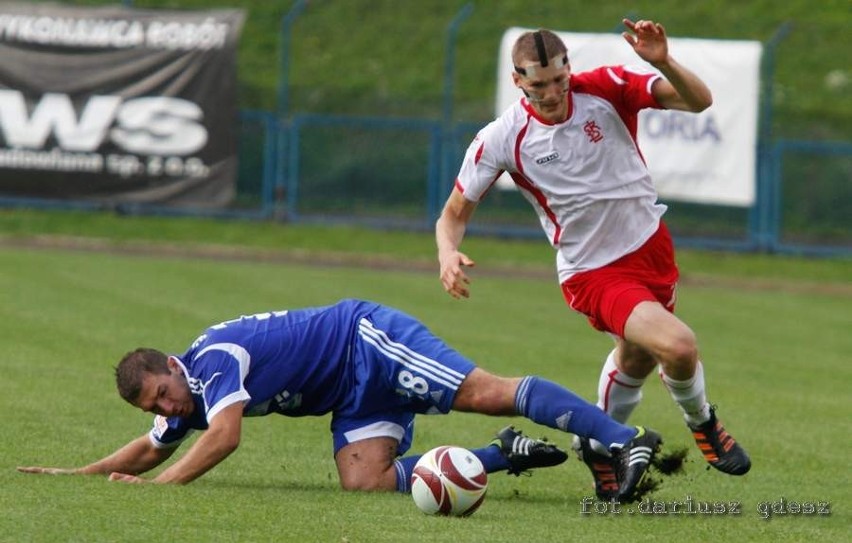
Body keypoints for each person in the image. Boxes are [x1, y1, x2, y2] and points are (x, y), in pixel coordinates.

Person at [435, 19, 750, 500]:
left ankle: (594, 443)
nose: (551, 92)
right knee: (680, 347)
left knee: (637, 357)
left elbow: (699, 101)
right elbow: (452, 215)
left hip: (652, 248)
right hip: (592, 271)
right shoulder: (502, 137)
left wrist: (662, 60)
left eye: (559, 79)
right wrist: (447, 252)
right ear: (517, 80)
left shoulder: (605, 88)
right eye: (537, 84)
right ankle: (702, 421)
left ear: (568, 69)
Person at [18, 298, 663, 502]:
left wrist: (163, 488)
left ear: (171, 365)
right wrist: (80, 475)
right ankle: (503, 456)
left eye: (164, 394)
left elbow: (226, 437)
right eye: (155, 407)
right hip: (348, 398)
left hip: (366, 342)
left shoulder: (212, 365)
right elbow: (148, 449)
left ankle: (623, 438)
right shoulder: (185, 399)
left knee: (487, 392)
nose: (166, 411)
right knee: (367, 484)